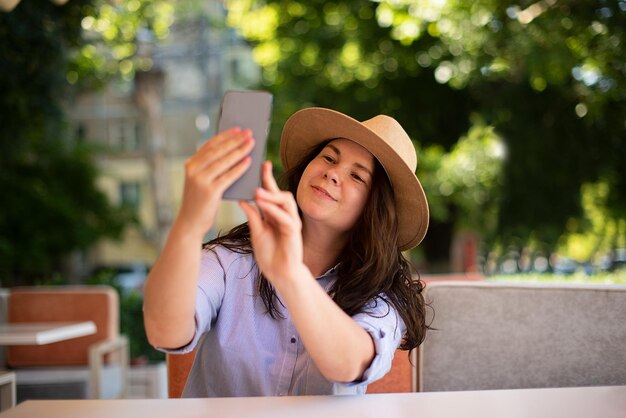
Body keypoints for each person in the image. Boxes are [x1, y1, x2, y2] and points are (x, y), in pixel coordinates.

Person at [143, 107, 430, 397]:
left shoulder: (383, 293)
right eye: (329, 158)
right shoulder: (231, 259)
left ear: (375, 210)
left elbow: (349, 364)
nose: (332, 173)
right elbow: (164, 331)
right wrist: (189, 225)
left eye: (357, 177)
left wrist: (290, 274)